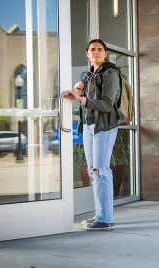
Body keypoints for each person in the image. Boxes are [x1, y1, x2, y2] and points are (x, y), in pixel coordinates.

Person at [63, 39, 122, 231]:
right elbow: (87, 103)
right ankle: (100, 215)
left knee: (100, 170)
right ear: (87, 54)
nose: (96, 52)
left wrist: (81, 98)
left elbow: (106, 105)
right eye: (92, 50)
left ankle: (105, 219)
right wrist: (80, 92)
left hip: (103, 127)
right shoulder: (90, 75)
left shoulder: (110, 72)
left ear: (105, 54)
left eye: (100, 50)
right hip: (89, 127)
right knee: (93, 171)